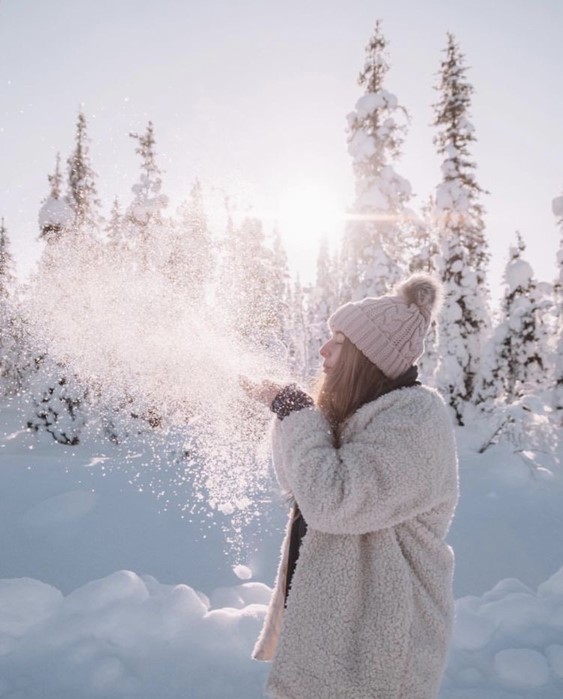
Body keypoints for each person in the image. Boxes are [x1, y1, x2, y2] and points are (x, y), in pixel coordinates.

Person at [242, 274, 459, 699]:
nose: (323, 350)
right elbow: (299, 487)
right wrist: (292, 416)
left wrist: (299, 415)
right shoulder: (362, 416)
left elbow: (334, 503)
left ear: (367, 355)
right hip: (330, 640)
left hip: (379, 649)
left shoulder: (415, 419)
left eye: (338, 341)